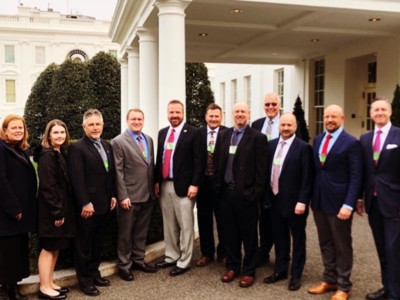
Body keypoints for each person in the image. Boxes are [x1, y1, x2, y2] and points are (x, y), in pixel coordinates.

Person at [308, 104, 362, 300]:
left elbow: (356, 176)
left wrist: (349, 204)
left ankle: (344, 286)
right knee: (325, 242)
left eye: (334, 117)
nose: (330, 120)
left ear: (342, 118)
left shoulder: (351, 143)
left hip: (340, 204)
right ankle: (329, 279)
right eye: (327, 116)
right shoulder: (319, 139)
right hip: (320, 200)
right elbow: (316, 171)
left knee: (342, 244)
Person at [214, 101, 268, 288]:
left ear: (249, 114)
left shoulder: (258, 138)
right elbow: (217, 163)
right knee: (229, 233)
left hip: (246, 195)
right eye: (236, 111)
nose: (239, 114)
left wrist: (255, 193)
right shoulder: (224, 135)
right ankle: (232, 266)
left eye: (243, 112)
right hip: (225, 194)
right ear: (232, 114)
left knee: (249, 235)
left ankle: (249, 271)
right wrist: (218, 188)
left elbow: (262, 171)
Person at [68, 109, 117, 297]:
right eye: (91, 124)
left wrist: (112, 195)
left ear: (102, 126)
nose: (95, 127)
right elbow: (77, 179)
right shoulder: (78, 148)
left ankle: (94, 273)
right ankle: (85, 281)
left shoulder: (106, 145)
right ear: (84, 127)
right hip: (88, 207)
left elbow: (109, 174)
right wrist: (85, 203)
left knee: (97, 243)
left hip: (104, 203)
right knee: (84, 245)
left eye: (98, 124)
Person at [263, 113, 314, 291]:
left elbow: (308, 178)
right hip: (275, 200)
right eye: (283, 125)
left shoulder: (303, 148)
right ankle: (281, 270)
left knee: (298, 239)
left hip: (295, 203)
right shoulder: (270, 146)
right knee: (280, 237)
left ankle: (296, 275)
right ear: (279, 126)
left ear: (295, 126)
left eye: (289, 125)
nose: (285, 128)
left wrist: (303, 201)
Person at [154, 99, 201, 277]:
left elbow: (199, 161)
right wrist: (157, 181)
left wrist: (195, 184)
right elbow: (160, 159)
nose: (174, 116)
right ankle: (171, 256)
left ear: (183, 113)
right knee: (169, 223)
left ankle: (184, 260)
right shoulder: (162, 133)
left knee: (186, 225)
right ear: (167, 113)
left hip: (185, 187)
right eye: (171, 112)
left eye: (177, 113)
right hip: (165, 184)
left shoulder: (194, 133)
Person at [359, 98, 400, 300]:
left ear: (390, 112)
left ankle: (395, 292)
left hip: (394, 203)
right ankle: (387, 287)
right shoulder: (365, 139)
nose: (380, 112)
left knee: (394, 249)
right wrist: (359, 198)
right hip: (373, 203)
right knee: (382, 248)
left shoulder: (399, 136)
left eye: (383, 109)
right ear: (371, 113)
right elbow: (363, 172)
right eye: (376, 110)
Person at [112, 108, 157, 282]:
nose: (137, 122)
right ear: (127, 120)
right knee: (125, 233)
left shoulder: (149, 140)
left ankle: (138, 260)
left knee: (141, 231)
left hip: (147, 195)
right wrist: (123, 196)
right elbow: (118, 171)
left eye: (140, 119)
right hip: (129, 196)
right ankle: (124, 265)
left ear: (143, 120)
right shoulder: (118, 141)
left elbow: (149, 166)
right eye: (134, 119)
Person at [34, 120, 74, 300]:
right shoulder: (47, 156)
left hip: (59, 208)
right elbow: (48, 187)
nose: (59, 135)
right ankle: (44, 287)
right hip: (50, 210)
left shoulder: (58, 153)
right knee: (48, 247)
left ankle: (49, 282)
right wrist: (57, 211)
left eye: (62, 132)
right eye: (55, 132)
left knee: (55, 247)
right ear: (48, 135)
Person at [0, 115, 37, 300]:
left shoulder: (20, 149)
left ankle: (11, 286)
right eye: (13, 128)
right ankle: (10, 290)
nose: (17, 131)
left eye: (20, 128)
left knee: (16, 250)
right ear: (5, 130)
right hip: (8, 212)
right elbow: (1, 181)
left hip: (22, 211)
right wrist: (14, 208)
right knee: (9, 252)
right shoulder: (1, 149)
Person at [195, 103, 227, 267]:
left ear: (221, 117)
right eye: (211, 116)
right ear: (206, 117)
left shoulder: (227, 133)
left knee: (223, 220)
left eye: (217, 116)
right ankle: (207, 253)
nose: (214, 119)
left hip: (221, 185)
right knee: (204, 219)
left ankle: (223, 253)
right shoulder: (198, 133)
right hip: (203, 184)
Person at [251, 92, 281, 266]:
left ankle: (282, 256)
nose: (270, 107)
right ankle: (263, 252)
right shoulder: (256, 124)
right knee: (262, 218)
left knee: (278, 219)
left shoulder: (288, 123)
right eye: (267, 104)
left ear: (279, 105)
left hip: (279, 179)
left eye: (274, 104)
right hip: (260, 179)